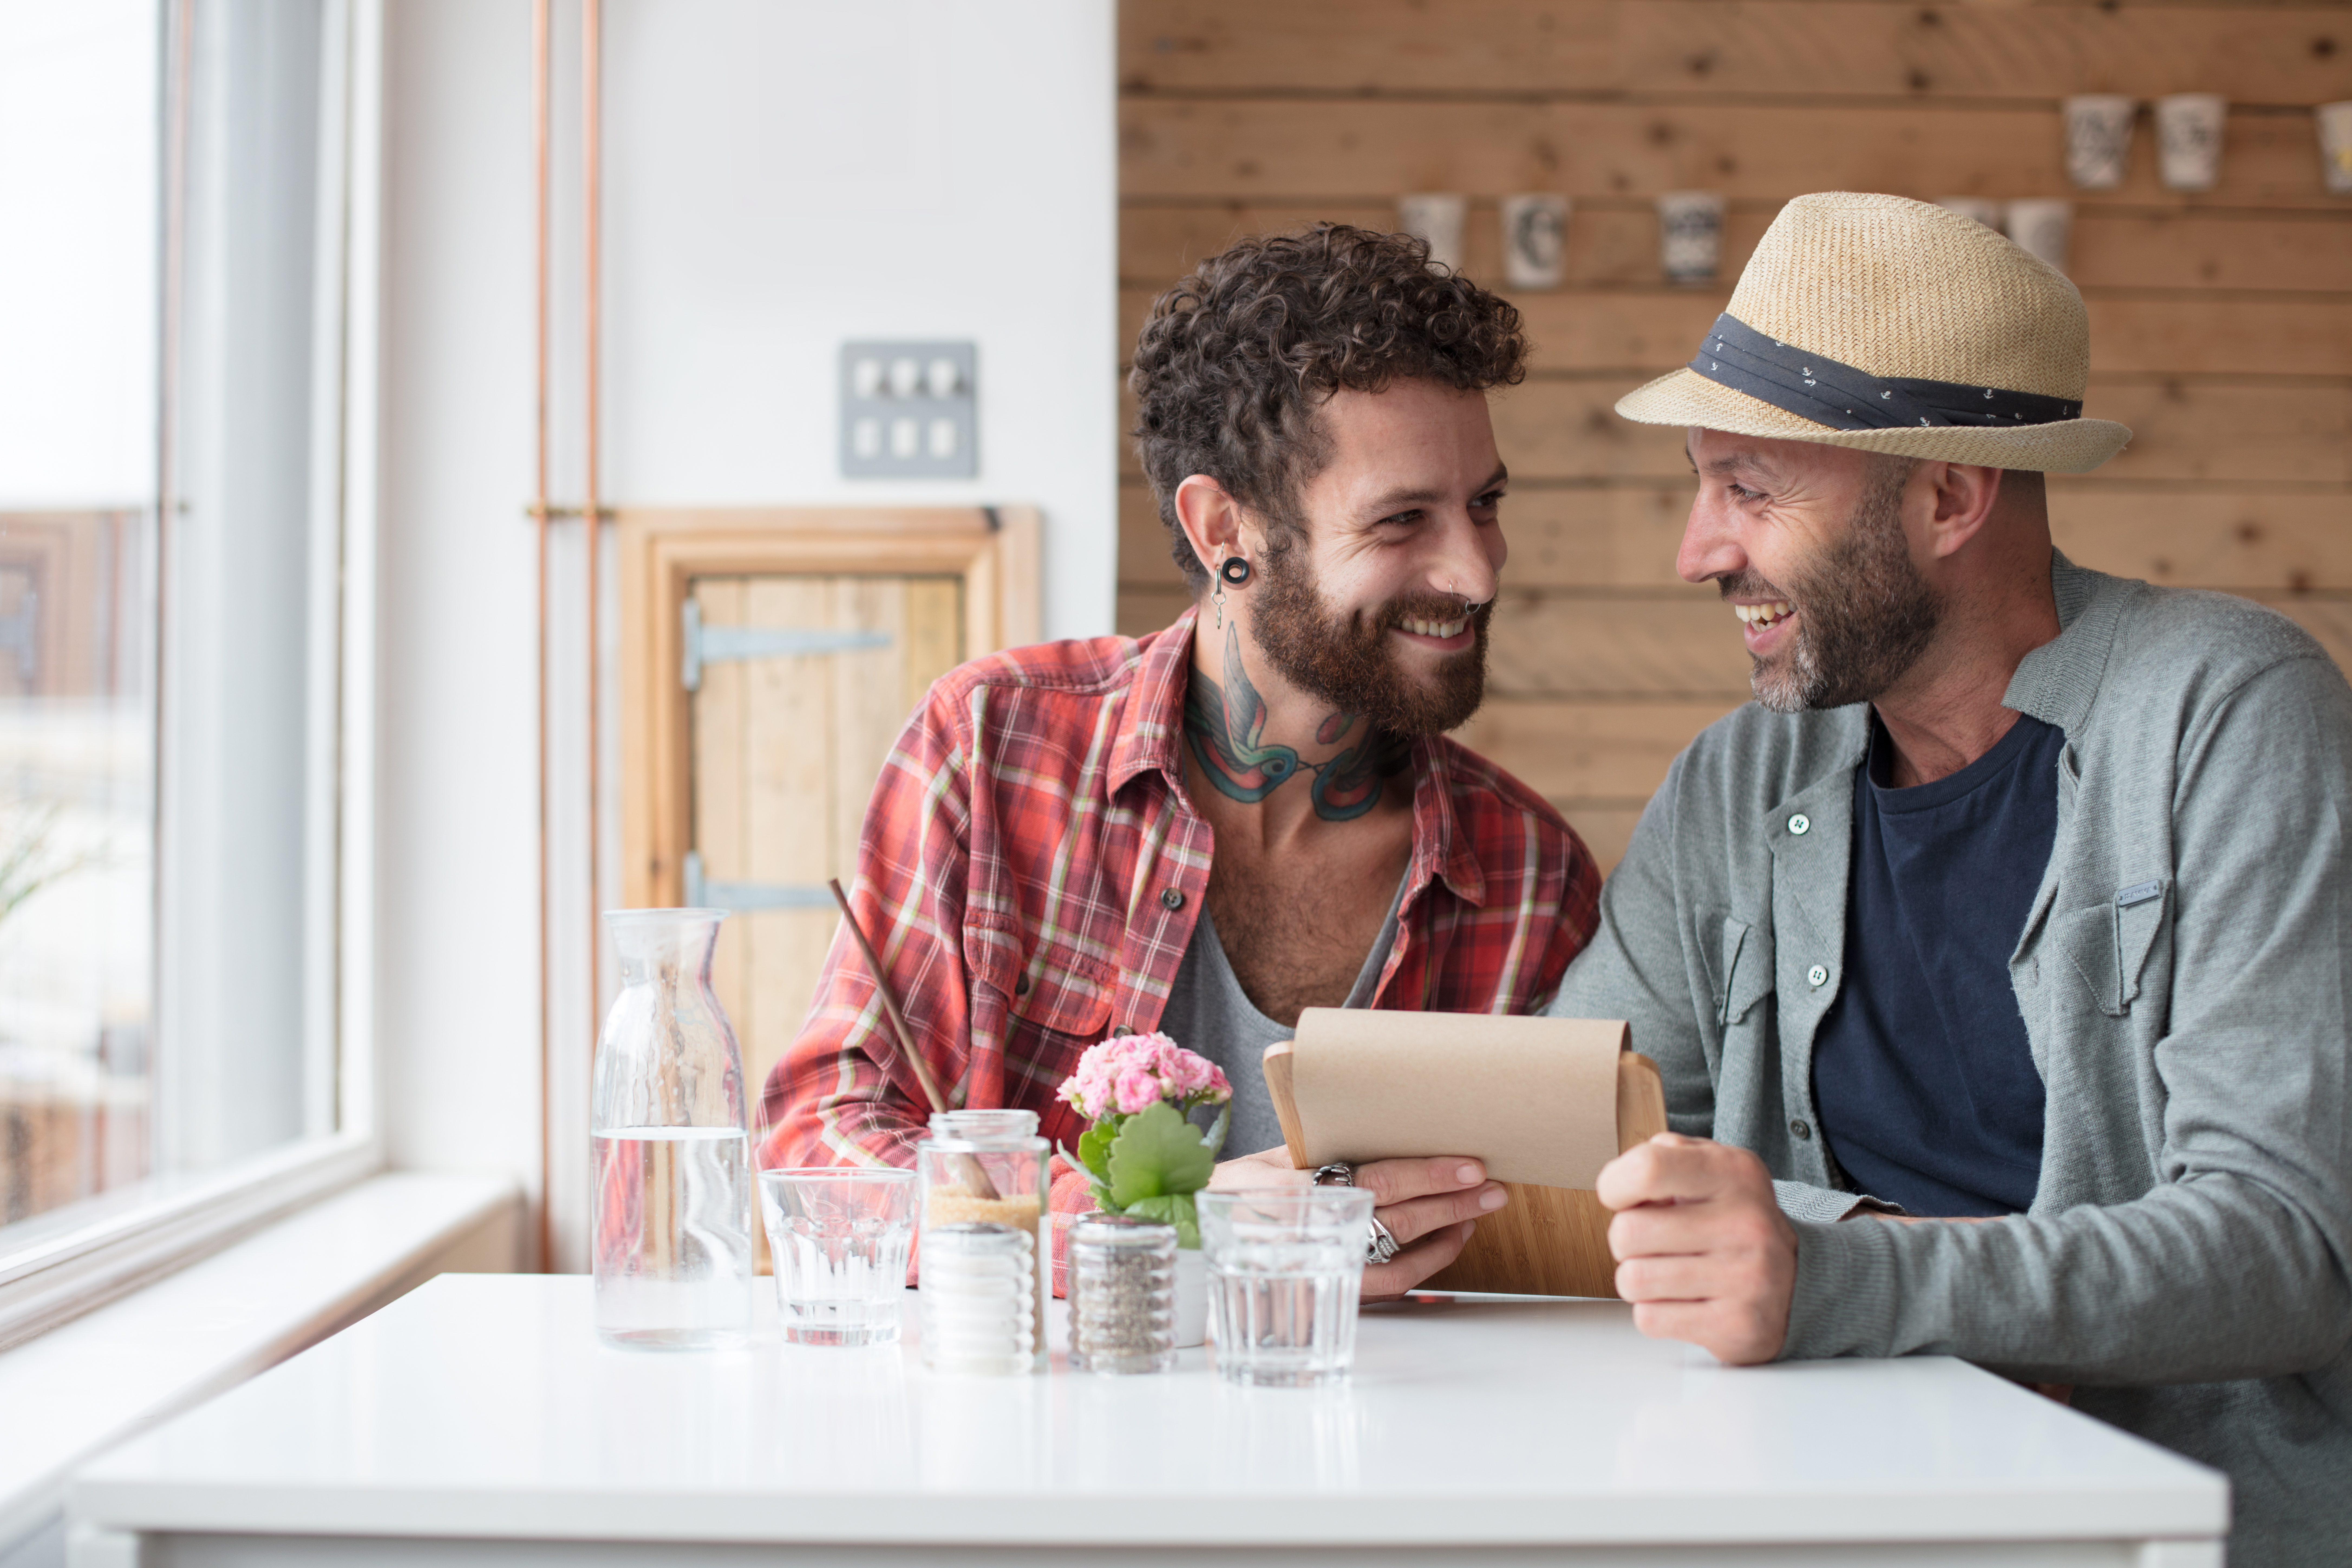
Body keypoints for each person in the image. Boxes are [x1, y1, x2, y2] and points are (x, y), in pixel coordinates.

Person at [1551, 191, 2351, 1564]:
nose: (1700, 549)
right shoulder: (1738, 779)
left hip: (2166, 1525)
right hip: (1808, 1498)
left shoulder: (2232, 711)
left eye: (1751, 487)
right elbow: (1577, 1136)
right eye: (1700, 483)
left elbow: (2289, 1247)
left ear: (1949, 496)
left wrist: (1840, 1270)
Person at [762, 224, 1602, 1297]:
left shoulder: (1527, 871)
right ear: (1222, 530)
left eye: (1485, 503)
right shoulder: (990, 749)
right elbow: (820, 1145)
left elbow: (1549, 1271)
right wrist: (1173, 1235)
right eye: (1403, 521)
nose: (1477, 569)